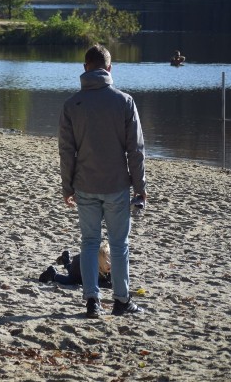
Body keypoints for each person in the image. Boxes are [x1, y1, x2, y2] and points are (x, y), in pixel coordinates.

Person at [59, 44, 146, 318]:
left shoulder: (72, 104)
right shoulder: (125, 101)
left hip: (84, 184)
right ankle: (121, 301)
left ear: (85, 68)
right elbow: (136, 150)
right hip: (116, 185)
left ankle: (92, 302)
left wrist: (67, 186)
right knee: (119, 245)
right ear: (109, 68)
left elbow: (66, 150)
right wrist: (140, 188)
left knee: (89, 242)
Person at [39, 241, 113, 288]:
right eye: (106, 263)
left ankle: (66, 260)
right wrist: (109, 284)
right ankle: (53, 274)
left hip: (80, 261)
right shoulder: (94, 270)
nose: (109, 264)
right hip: (78, 268)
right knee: (71, 280)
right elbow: (96, 283)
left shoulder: (107, 266)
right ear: (98, 264)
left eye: (110, 261)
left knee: (70, 267)